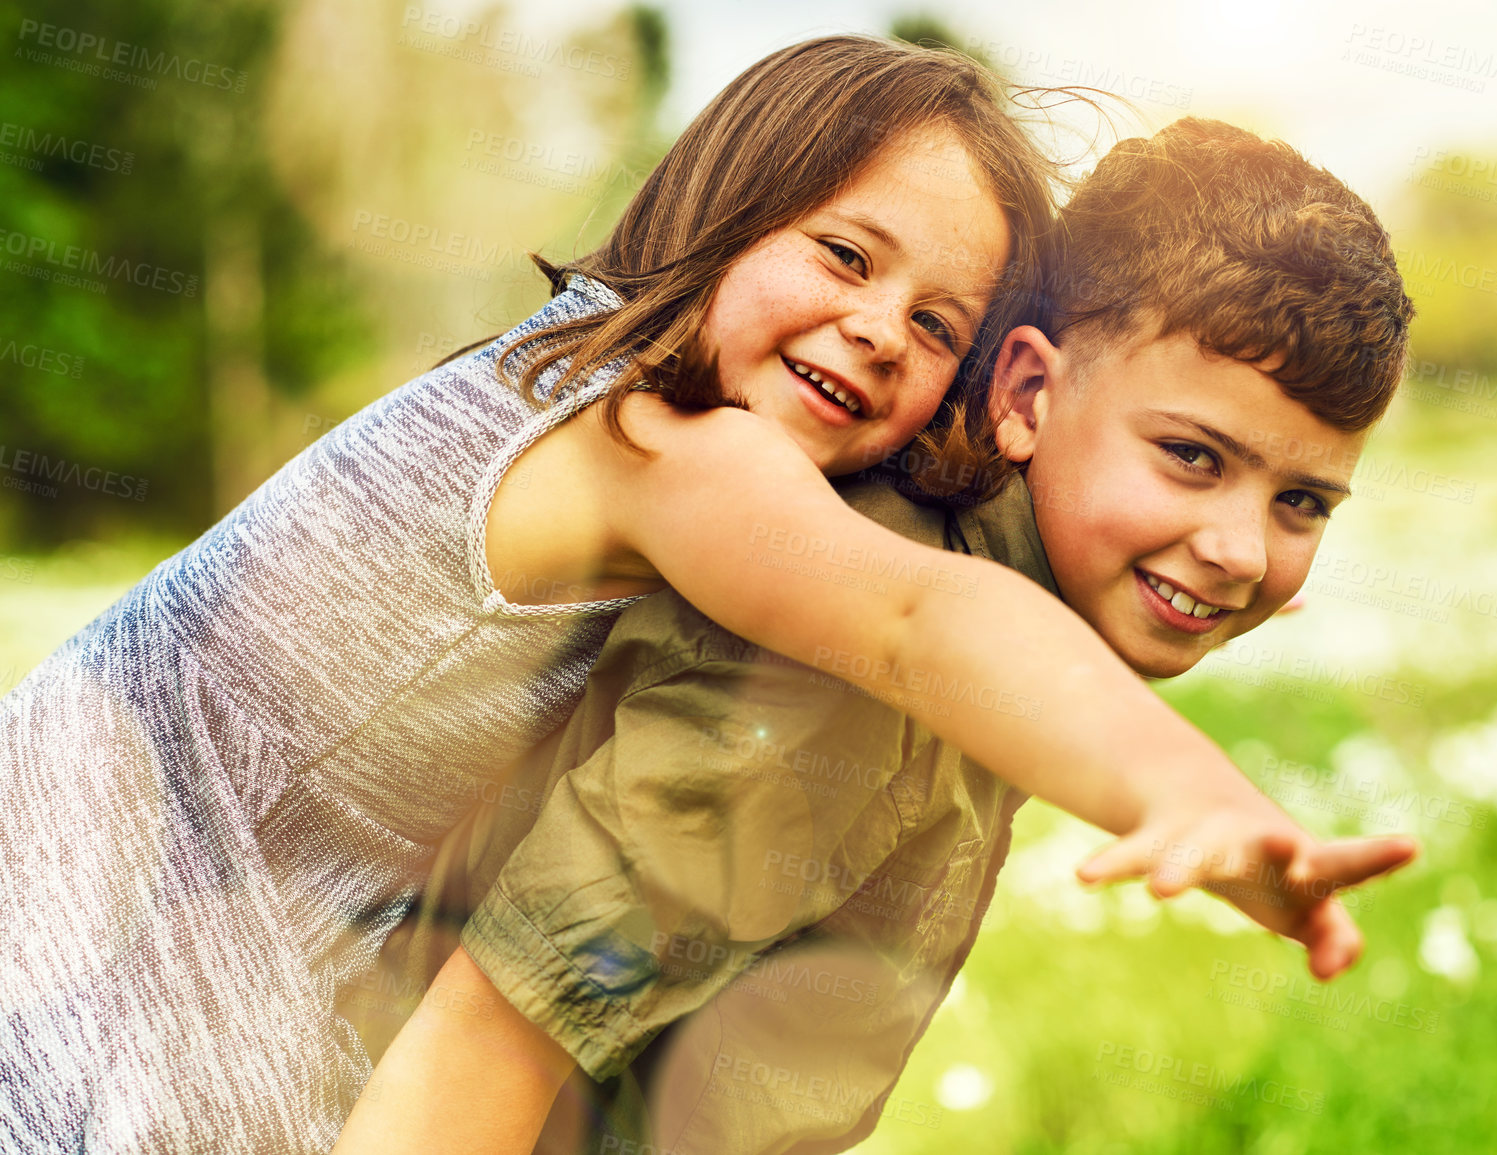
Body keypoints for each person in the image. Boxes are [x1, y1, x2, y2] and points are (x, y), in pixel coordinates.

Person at [0, 37, 1363, 1154]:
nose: (882, 326)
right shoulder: (657, 447)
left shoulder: (576, 396)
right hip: (82, 1021)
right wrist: (1179, 790)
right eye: (843, 255)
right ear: (720, 210)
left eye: (937, 321)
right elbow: (912, 618)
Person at [334, 117, 1420, 1155]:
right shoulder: (842, 681)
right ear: (1029, 393)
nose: (1240, 547)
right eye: (1193, 456)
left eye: (1303, 505)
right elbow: (491, 1040)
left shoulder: (1010, 597)